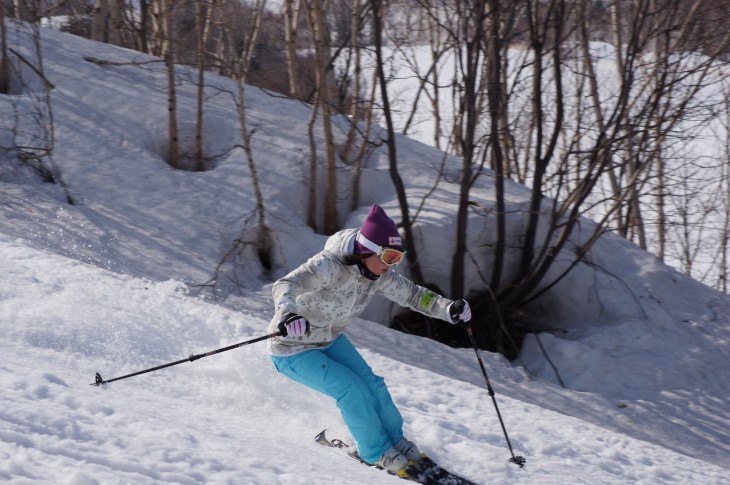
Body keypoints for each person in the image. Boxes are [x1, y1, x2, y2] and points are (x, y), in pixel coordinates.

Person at [267, 203, 472, 476]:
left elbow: (412, 294)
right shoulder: (329, 265)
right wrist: (287, 314)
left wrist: (447, 308)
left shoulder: (376, 275)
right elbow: (286, 284)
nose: (391, 265)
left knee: (373, 385)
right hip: (292, 348)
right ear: (366, 250)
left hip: (328, 339)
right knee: (352, 389)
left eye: (397, 258)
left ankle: (395, 440)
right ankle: (375, 452)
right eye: (388, 256)